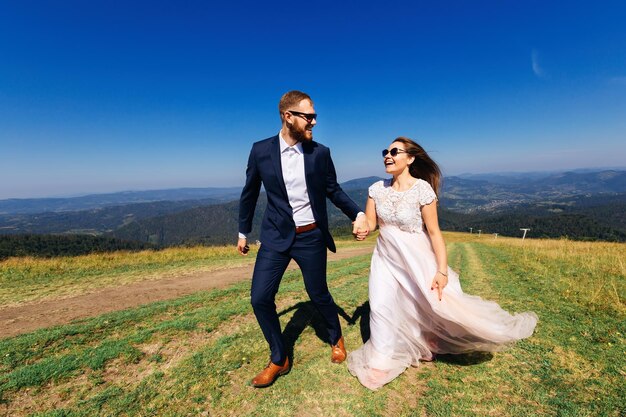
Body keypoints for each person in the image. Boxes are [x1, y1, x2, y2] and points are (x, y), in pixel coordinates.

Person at [347, 137, 538, 390]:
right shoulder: (376, 189)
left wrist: (441, 270)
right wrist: (361, 228)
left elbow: (435, 233)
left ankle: (427, 338)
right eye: (386, 151)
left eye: (395, 151)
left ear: (411, 158)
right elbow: (372, 225)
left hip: (416, 256)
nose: (387, 155)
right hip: (385, 257)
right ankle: (381, 361)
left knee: (425, 303)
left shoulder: (422, 190)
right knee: (381, 305)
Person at [238, 90, 370, 388]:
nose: (313, 122)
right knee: (259, 298)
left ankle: (336, 338)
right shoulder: (260, 150)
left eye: (315, 117)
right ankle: (278, 358)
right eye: (308, 116)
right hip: (274, 236)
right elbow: (249, 193)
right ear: (288, 116)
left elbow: (333, 190)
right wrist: (242, 231)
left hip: (310, 236)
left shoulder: (320, 152)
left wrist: (357, 213)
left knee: (318, 292)